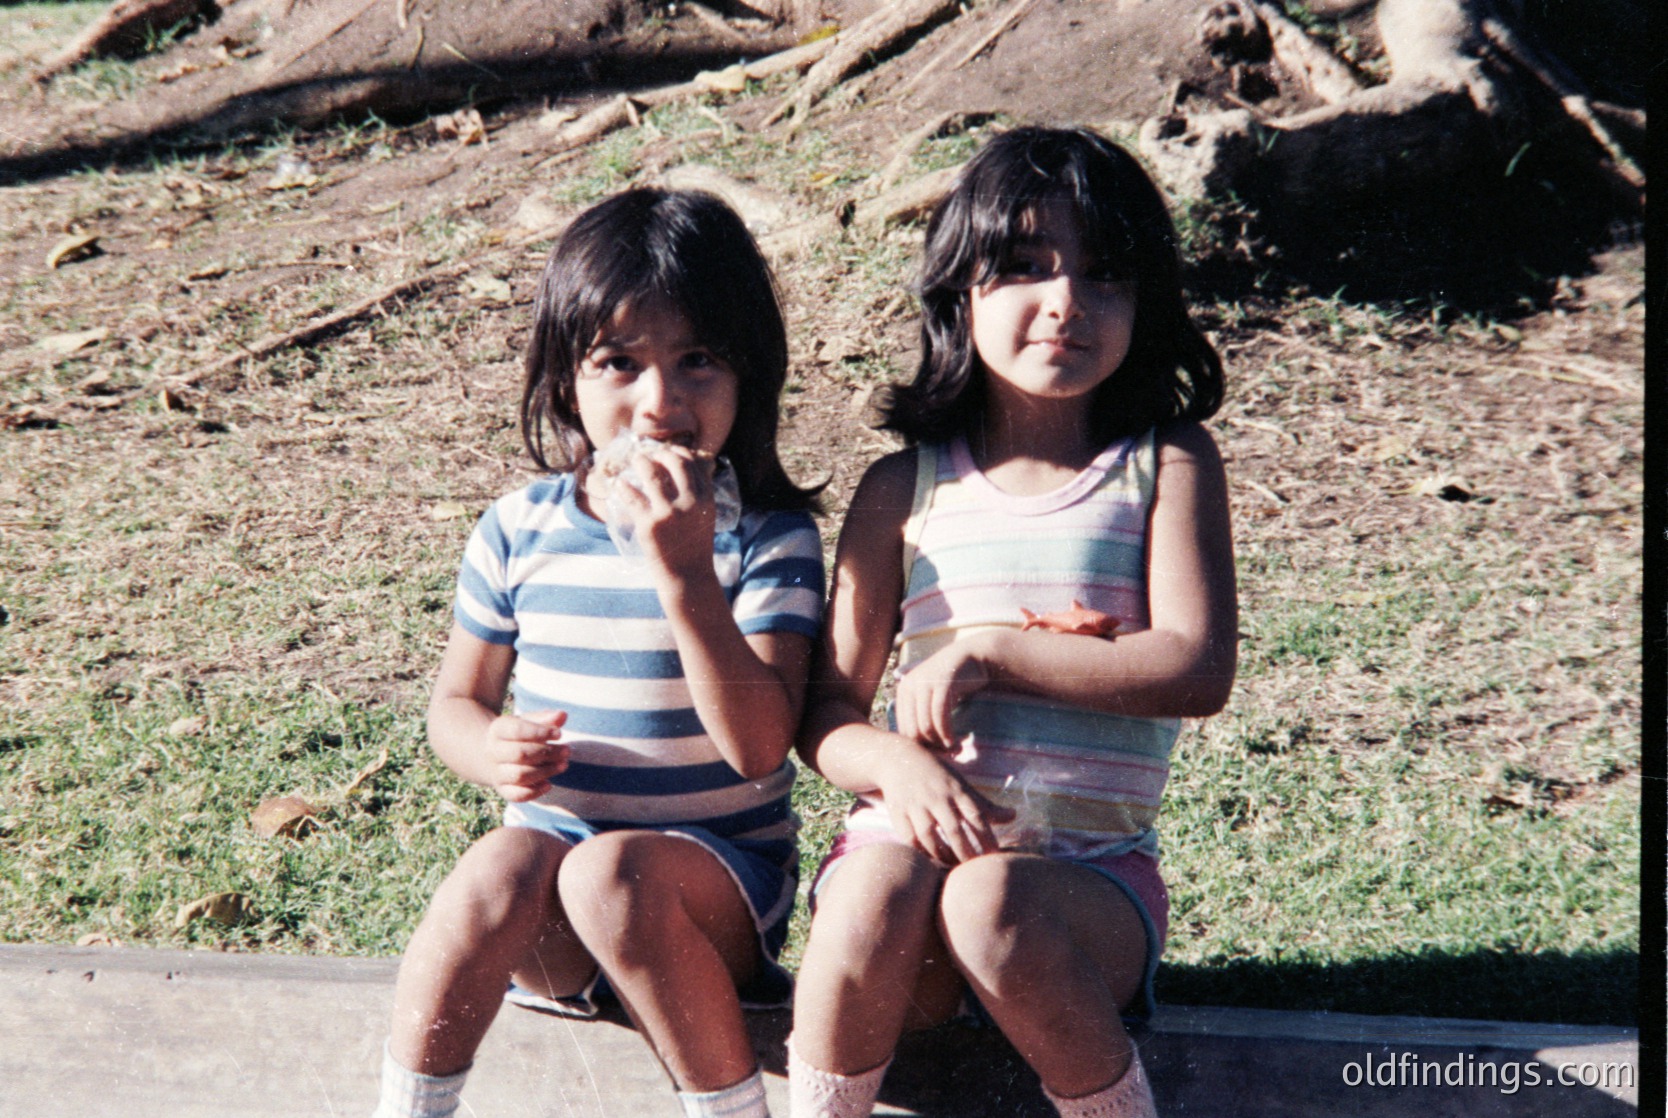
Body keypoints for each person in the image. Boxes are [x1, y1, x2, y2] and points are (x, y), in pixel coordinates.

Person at [787, 126, 1238, 1118]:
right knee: (871, 890)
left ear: (1143, 302)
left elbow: (1196, 667)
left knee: (992, 898)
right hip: (904, 897)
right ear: (962, 293)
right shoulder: (902, 489)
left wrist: (987, 651)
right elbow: (825, 710)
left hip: (1082, 897)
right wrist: (897, 767)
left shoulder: (1167, 464)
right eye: (1027, 267)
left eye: (1104, 274)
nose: (1067, 300)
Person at [372, 187, 824, 1118]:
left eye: (698, 360)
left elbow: (758, 747)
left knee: (612, 876)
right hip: (555, 903)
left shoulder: (769, 539)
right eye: (620, 363)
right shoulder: (518, 528)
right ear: (565, 380)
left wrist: (686, 574)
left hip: (713, 892)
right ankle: (408, 1107)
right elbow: (455, 703)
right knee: (502, 866)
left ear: (750, 376)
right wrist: (487, 746)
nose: (658, 402)